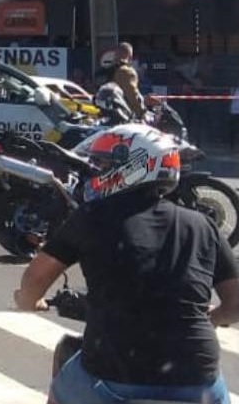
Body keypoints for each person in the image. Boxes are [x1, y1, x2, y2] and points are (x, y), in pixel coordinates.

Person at [14, 128, 239, 404]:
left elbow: (35, 278)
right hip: (196, 380)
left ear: (135, 168)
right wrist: (211, 318)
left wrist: (29, 301)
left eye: (105, 165)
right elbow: (235, 304)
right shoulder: (202, 225)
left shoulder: (91, 217)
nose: (97, 172)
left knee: (62, 388)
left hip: (112, 377)